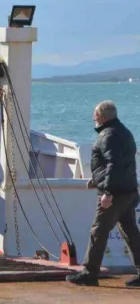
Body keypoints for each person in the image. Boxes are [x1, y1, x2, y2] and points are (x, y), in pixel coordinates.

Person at [67, 101, 140, 287]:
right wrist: (97, 180)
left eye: (96, 114)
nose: (93, 117)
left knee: (98, 231)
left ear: (104, 117)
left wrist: (107, 191)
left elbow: (113, 164)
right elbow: (122, 165)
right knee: (131, 232)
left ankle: (89, 273)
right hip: (129, 191)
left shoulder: (108, 135)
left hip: (115, 193)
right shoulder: (124, 132)